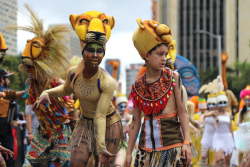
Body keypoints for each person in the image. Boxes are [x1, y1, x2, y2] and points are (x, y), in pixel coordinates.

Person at [36, 11, 123, 167]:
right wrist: (46, 92)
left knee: (103, 163)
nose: (95, 55)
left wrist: (101, 147)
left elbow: (100, 116)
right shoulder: (72, 73)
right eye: (91, 50)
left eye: (100, 51)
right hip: (85, 122)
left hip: (108, 123)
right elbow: (65, 90)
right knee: (76, 162)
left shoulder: (108, 82)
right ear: (83, 52)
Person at [0, 4, 77, 166]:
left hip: (60, 133)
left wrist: (75, 133)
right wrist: (4, 94)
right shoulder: (31, 83)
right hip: (42, 133)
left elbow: (72, 108)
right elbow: (22, 94)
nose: (27, 70)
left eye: (30, 67)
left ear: (40, 66)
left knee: (59, 164)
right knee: (28, 165)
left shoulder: (58, 84)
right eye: (26, 66)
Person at [125, 18, 191, 167]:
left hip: (173, 149)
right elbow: (135, 121)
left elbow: (183, 112)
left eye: (165, 54)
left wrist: (187, 142)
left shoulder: (174, 78)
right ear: (146, 55)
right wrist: (129, 153)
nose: (164, 58)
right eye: (159, 54)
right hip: (145, 153)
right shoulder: (137, 86)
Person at [201, 76, 235, 167]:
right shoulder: (215, 113)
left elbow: (230, 128)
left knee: (227, 162)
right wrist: (206, 119)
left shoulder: (228, 114)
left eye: (224, 102)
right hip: (218, 137)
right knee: (218, 159)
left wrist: (233, 142)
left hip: (227, 138)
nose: (223, 104)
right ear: (217, 104)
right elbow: (204, 115)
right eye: (221, 102)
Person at [0, 68, 18, 167]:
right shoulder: (9, 93)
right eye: (7, 78)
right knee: (8, 159)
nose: (9, 81)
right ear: (2, 79)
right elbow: (14, 115)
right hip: (5, 134)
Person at [114, 94, 132, 166]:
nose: (123, 108)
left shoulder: (127, 116)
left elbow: (133, 123)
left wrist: (128, 126)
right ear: (118, 105)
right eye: (122, 106)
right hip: (114, 140)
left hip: (124, 140)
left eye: (125, 106)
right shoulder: (115, 115)